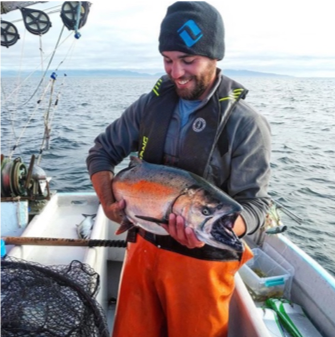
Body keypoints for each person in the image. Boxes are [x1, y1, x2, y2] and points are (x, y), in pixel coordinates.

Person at [86, 1, 271, 336]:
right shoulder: (149, 105)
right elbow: (101, 152)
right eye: (168, 60)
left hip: (202, 268)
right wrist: (107, 201)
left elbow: (257, 206)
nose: (176, 72)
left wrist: (212, 227)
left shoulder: (246, 125)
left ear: (215, 57)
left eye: (188, 60)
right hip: (142, 251)